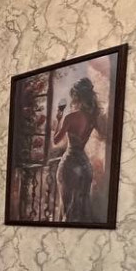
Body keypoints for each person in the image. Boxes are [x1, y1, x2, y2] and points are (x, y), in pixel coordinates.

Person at [52, 77, 104, 223]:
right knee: (82, 206)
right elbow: (102, 134)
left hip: (70, 164)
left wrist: (58, 120)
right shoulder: (93, 117)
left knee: (67, 207)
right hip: (85, 166)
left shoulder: (70, 117)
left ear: (76, 96)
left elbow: (55, 141)